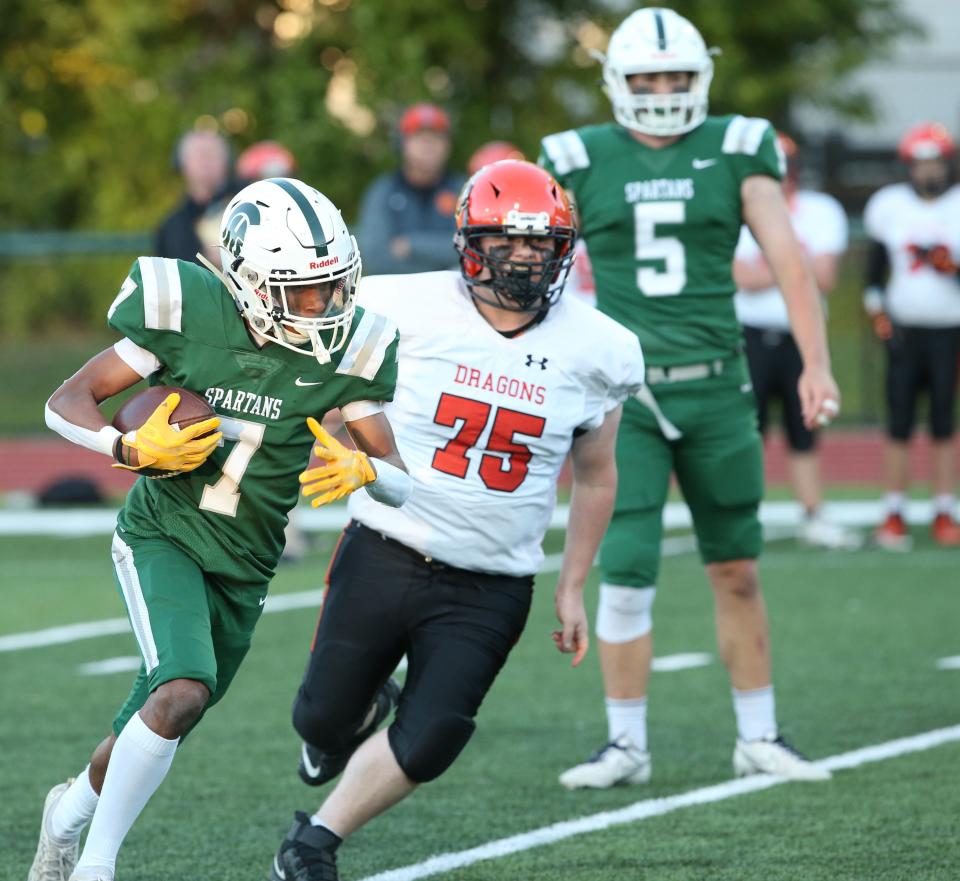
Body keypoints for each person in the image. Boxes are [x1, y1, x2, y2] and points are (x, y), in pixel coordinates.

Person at [268, 160, 646, 881]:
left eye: (542, 243)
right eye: (509, 240)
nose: (527, 256)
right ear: (470, 240)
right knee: (320, 718)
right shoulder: (396, 305)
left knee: (435, 734)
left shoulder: (600, 348)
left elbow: (597, 474)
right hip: (387, 546)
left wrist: (572, 585)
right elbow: (324, 386)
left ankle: (313, 842)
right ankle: (351, 716)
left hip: (494, 578)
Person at [31, 177, 411, 881]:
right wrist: (127, 448)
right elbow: (68, 399)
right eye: (302, 289)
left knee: (160, 713)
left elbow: (397, 471)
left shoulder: (350, 347)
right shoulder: (188, 311)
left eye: (330, 285)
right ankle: (95, 866)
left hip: (247, 563)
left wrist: (370, 472)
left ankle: (65, 814)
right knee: (181, 689)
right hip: (165, 535)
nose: (323, 304)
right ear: (247, 280)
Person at [539, 7, 839, 789]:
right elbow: (528, 273)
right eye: (648, 79)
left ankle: (758, 733)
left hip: (717, 382)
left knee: (736, 565)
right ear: (617, 83)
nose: (665, 91)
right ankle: (626, 745)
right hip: (625, 396)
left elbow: (789, 260)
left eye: (678, 77)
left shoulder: (739, 146)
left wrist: (817, 362)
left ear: (701, 76)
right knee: (629, 565)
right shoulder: (576, 157)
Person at [734, 133, 861, 550]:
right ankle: (739, 515)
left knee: (805, 427)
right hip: (748, 335)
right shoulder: (735, 207)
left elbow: (825, 277)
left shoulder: (820, 210)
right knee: (744, 433)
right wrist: (793, 267)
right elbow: (737, 276)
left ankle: (812, 511)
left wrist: (771, 268)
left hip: (800, 338)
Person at [863, 122, 960, 550]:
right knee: (898, 422)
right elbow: (872, 276)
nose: (928, 172)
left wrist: (950, 268)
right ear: (909, 167)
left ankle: (944, 509)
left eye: (935, 163)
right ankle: (894, 509)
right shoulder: (889, 207)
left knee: (943, 422)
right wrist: (880, 319)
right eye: (921, 164)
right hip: (904, 330)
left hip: (949, 330)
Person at [356, 103, 466, 275]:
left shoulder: (463, 190)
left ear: (448, 145)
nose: (428, 145)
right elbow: (375, 257)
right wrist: (442, 265)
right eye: (419, 137)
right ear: (402, 143)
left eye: (436, 137)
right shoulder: (382, 191)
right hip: (396, 297)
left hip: (453, 296)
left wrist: (411, 245)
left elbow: (471, 249)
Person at [155, 130, 235, 264]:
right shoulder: (171, 228)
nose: (205, 162)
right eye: (198, 155)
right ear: (182, 163)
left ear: (226, 161)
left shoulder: (249, 205)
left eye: (212, 155)